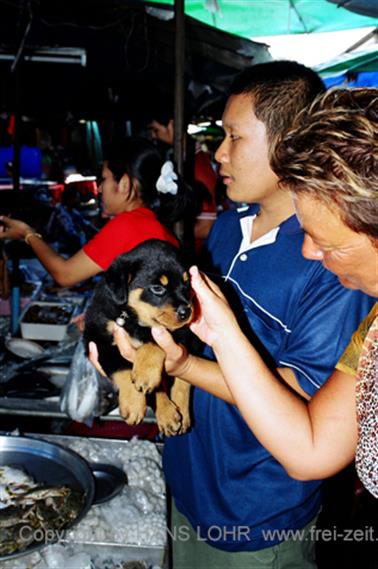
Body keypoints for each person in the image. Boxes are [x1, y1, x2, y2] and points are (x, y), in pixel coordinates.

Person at [92, 65, 375, 567]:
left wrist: (184, 366)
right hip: (190, 476)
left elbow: (302, 402)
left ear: (287, 142)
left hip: (256, 510)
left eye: (234, 137)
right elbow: (187, 332)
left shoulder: (340, 262)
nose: (218, 153)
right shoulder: (227, 226)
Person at [152, 86, 378, 496]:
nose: (310, 252)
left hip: (257, 500)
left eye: (330, 245)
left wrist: (193, 361)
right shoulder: (374, 331)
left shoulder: (341, 287)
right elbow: (314, 450)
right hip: (198, 476)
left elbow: (300, 408)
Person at [0, 137, 191, 287]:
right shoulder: (154, 224)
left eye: (104, 179)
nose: (99, 189)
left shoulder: (128, 225)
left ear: (124, 183)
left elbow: (64, 274)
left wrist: (27, 234)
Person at [148, 113, 218, 255]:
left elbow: (206, 227)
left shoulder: (198, 167)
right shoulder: (184, 161)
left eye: (156, 130)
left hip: (196, 255)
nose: (153, 136)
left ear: (173, 125)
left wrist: (166, 231)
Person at [45, 184, 97, 254]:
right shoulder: (60, 212)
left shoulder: (72, 211)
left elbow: (86, 224)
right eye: (76, 197)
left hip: (67, 247)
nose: (78, 200)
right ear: (70, 199)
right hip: (59, 249)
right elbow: (71, 233)